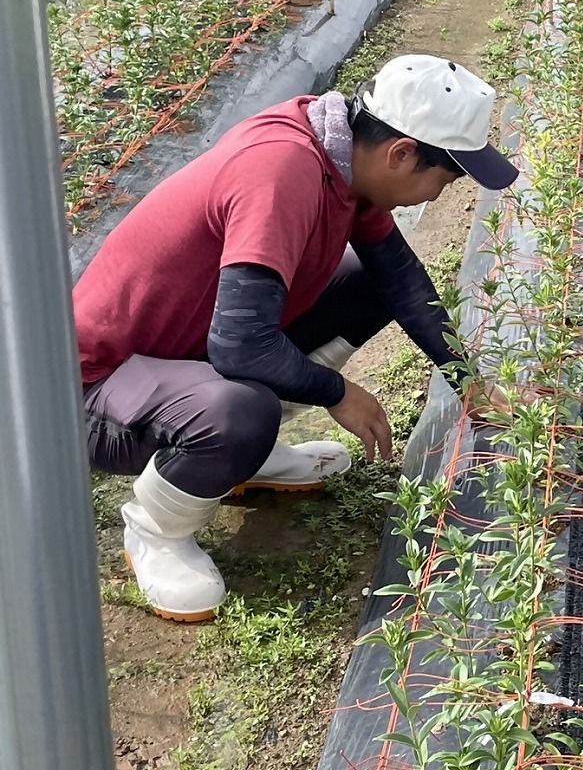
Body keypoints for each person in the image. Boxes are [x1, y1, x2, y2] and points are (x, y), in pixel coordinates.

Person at [75, 54, 519, 623]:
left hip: (182, 358)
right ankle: (158, 530)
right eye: (444, 177)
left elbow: (401, 280)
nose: (438, 195)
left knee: (367, 283)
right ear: (401, 153)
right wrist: (336, 392)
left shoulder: (343, 160)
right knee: (240, 408)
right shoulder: (281, 172)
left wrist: (468, 383)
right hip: (97, 386)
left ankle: (239, 460)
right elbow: (239, 346)